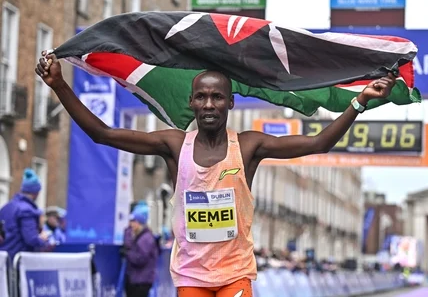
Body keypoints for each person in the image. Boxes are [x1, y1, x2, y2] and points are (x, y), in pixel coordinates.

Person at [35, 52, 396, 297]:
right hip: (191, 274)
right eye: (202, 97)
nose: (210, 104)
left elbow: (318, 143)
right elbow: (104, 134)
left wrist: (358, 102)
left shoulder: (250, 146)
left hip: (236, 272)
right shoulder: (175, 145)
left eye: (218, 97)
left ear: (230, 102)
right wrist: (60, 86)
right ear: (191, 102)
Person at [0, 168, 52, 259]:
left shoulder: (6, 207)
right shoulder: (27, 211)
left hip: (3, 259)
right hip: (17, 260)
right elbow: (31, 239)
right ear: (36, 193)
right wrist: (43, 240)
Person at [122, 207, 159, 297]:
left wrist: (127, 254)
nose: (131, 224)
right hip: (136, 279)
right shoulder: (139, 236)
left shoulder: (145, 239)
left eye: (134, 221)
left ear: (139, 222)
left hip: (141, 281)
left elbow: (141, 259)